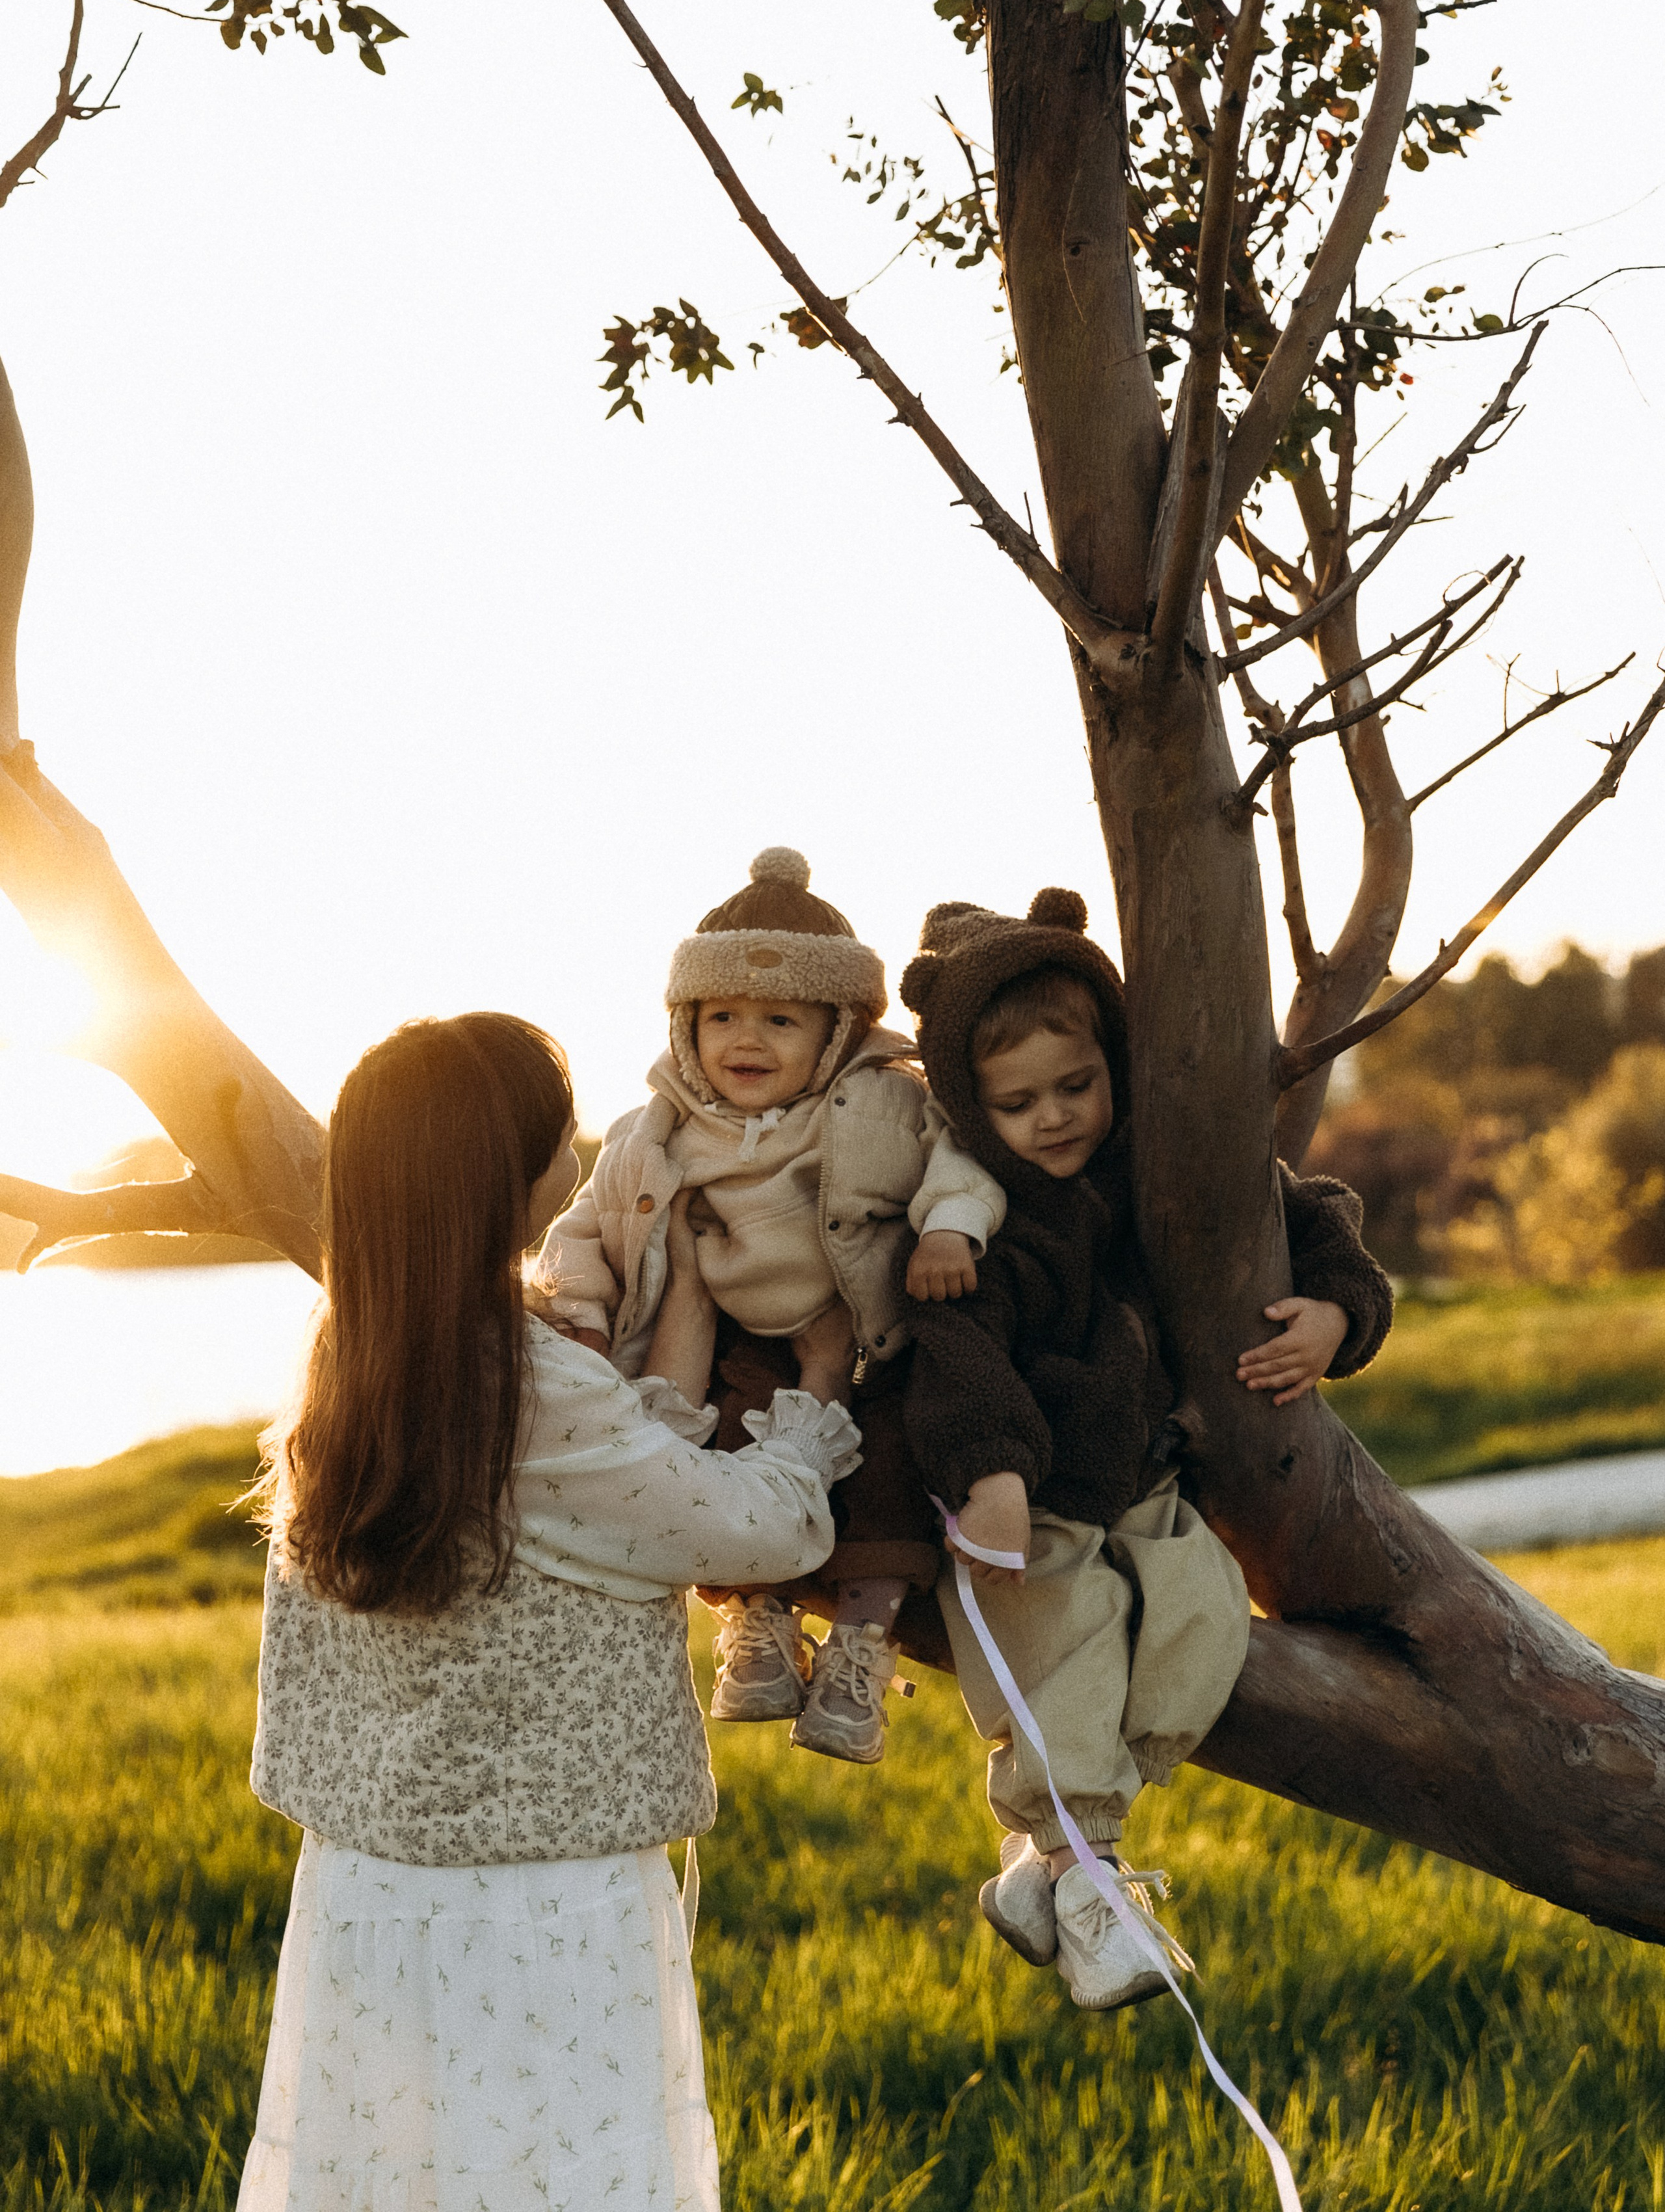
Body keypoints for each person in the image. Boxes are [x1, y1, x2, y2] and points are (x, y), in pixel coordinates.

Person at [237, 1011, 860, 2212]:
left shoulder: (351, 1364)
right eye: (558, 1134)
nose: (577, 1151)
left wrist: (673, 1318)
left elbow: (605, 1482)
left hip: (369, 1892)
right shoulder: (530, 1387)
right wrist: (819, 1395)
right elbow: (750, 1528)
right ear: (510, 1182)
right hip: (542, 1907)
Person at [898, 890, 1394, 2012]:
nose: (1054, 1119)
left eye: (1076, 1085)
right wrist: (991, 1475)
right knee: (1064, 1644)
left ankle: (1051, 1864)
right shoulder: (982, 1224)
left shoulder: (1162, 1168)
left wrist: (1336, 1313)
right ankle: (1090, 1880)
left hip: (1147, 1475)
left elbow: (1312, 1214)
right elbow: (956, 1353)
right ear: (971, 1108)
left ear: (1117, 1062)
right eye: (1017, 1103)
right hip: (1033, 1498)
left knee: (1201, 1614)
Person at [532, 847, 1004, 1766]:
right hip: (740, 1344)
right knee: (727, 1455)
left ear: (837, 1031)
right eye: (722, 1017)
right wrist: (582, 1310)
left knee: (891, 1473)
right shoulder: (656, 1130)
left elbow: (961, 1156)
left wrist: (950, 1229)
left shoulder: (882, 1105)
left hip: (872, 1343)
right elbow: (582, 1227)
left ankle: (861, 1648)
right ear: (686, 1026)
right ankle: (760, 1624)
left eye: (780, 1019)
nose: (745, 1041)